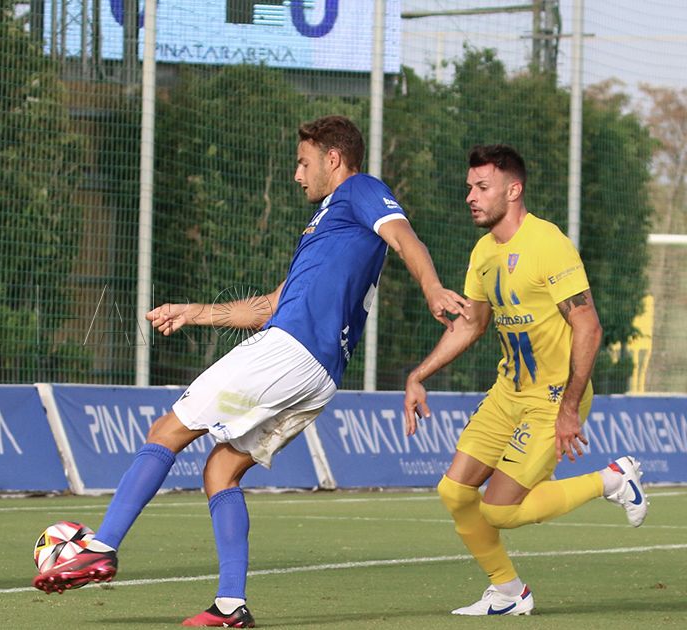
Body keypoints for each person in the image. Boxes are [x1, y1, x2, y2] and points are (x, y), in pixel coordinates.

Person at [33, 115, 470, 627]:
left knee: (167, 429)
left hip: (291, 351)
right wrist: (193, 311)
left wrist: (433, 288)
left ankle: (100, 548)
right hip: (319, 373)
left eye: (303, 163)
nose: (297, 175)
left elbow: (405, 238)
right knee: (220, 469)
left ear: (333, 158)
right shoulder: (328, 225)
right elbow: (268, 305)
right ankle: (230, 606)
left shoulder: (360, 191)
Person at [403, 144, 648, 616]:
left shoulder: (547, 243)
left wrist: (569, 408)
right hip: (507, 393)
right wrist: (419, 374)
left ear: (513, 190)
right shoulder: (483, 252)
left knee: (498, 510)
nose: (470, 196)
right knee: (454, 492)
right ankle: (509, 592)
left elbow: (588, 326)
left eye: (482, 187)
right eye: (469, 187)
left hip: (551, 398)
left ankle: (612, 479)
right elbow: (472, 324)